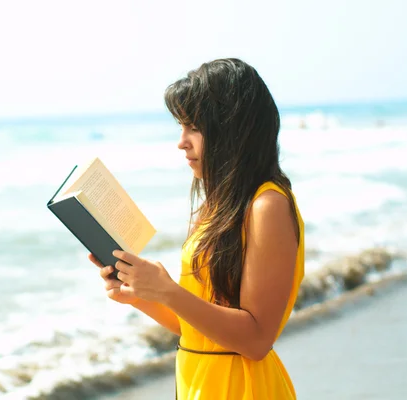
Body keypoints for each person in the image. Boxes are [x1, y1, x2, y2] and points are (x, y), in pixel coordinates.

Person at [88, 58, 304, 399]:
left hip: (243, 388)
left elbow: (256, 339)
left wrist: (168, 291)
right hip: (200, 384)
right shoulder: (215, 207)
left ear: (232, 129)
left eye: (194, 128)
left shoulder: (267, 206)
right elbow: (196, 327)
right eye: (180, 127)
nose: (182, 142)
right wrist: (141, 296)